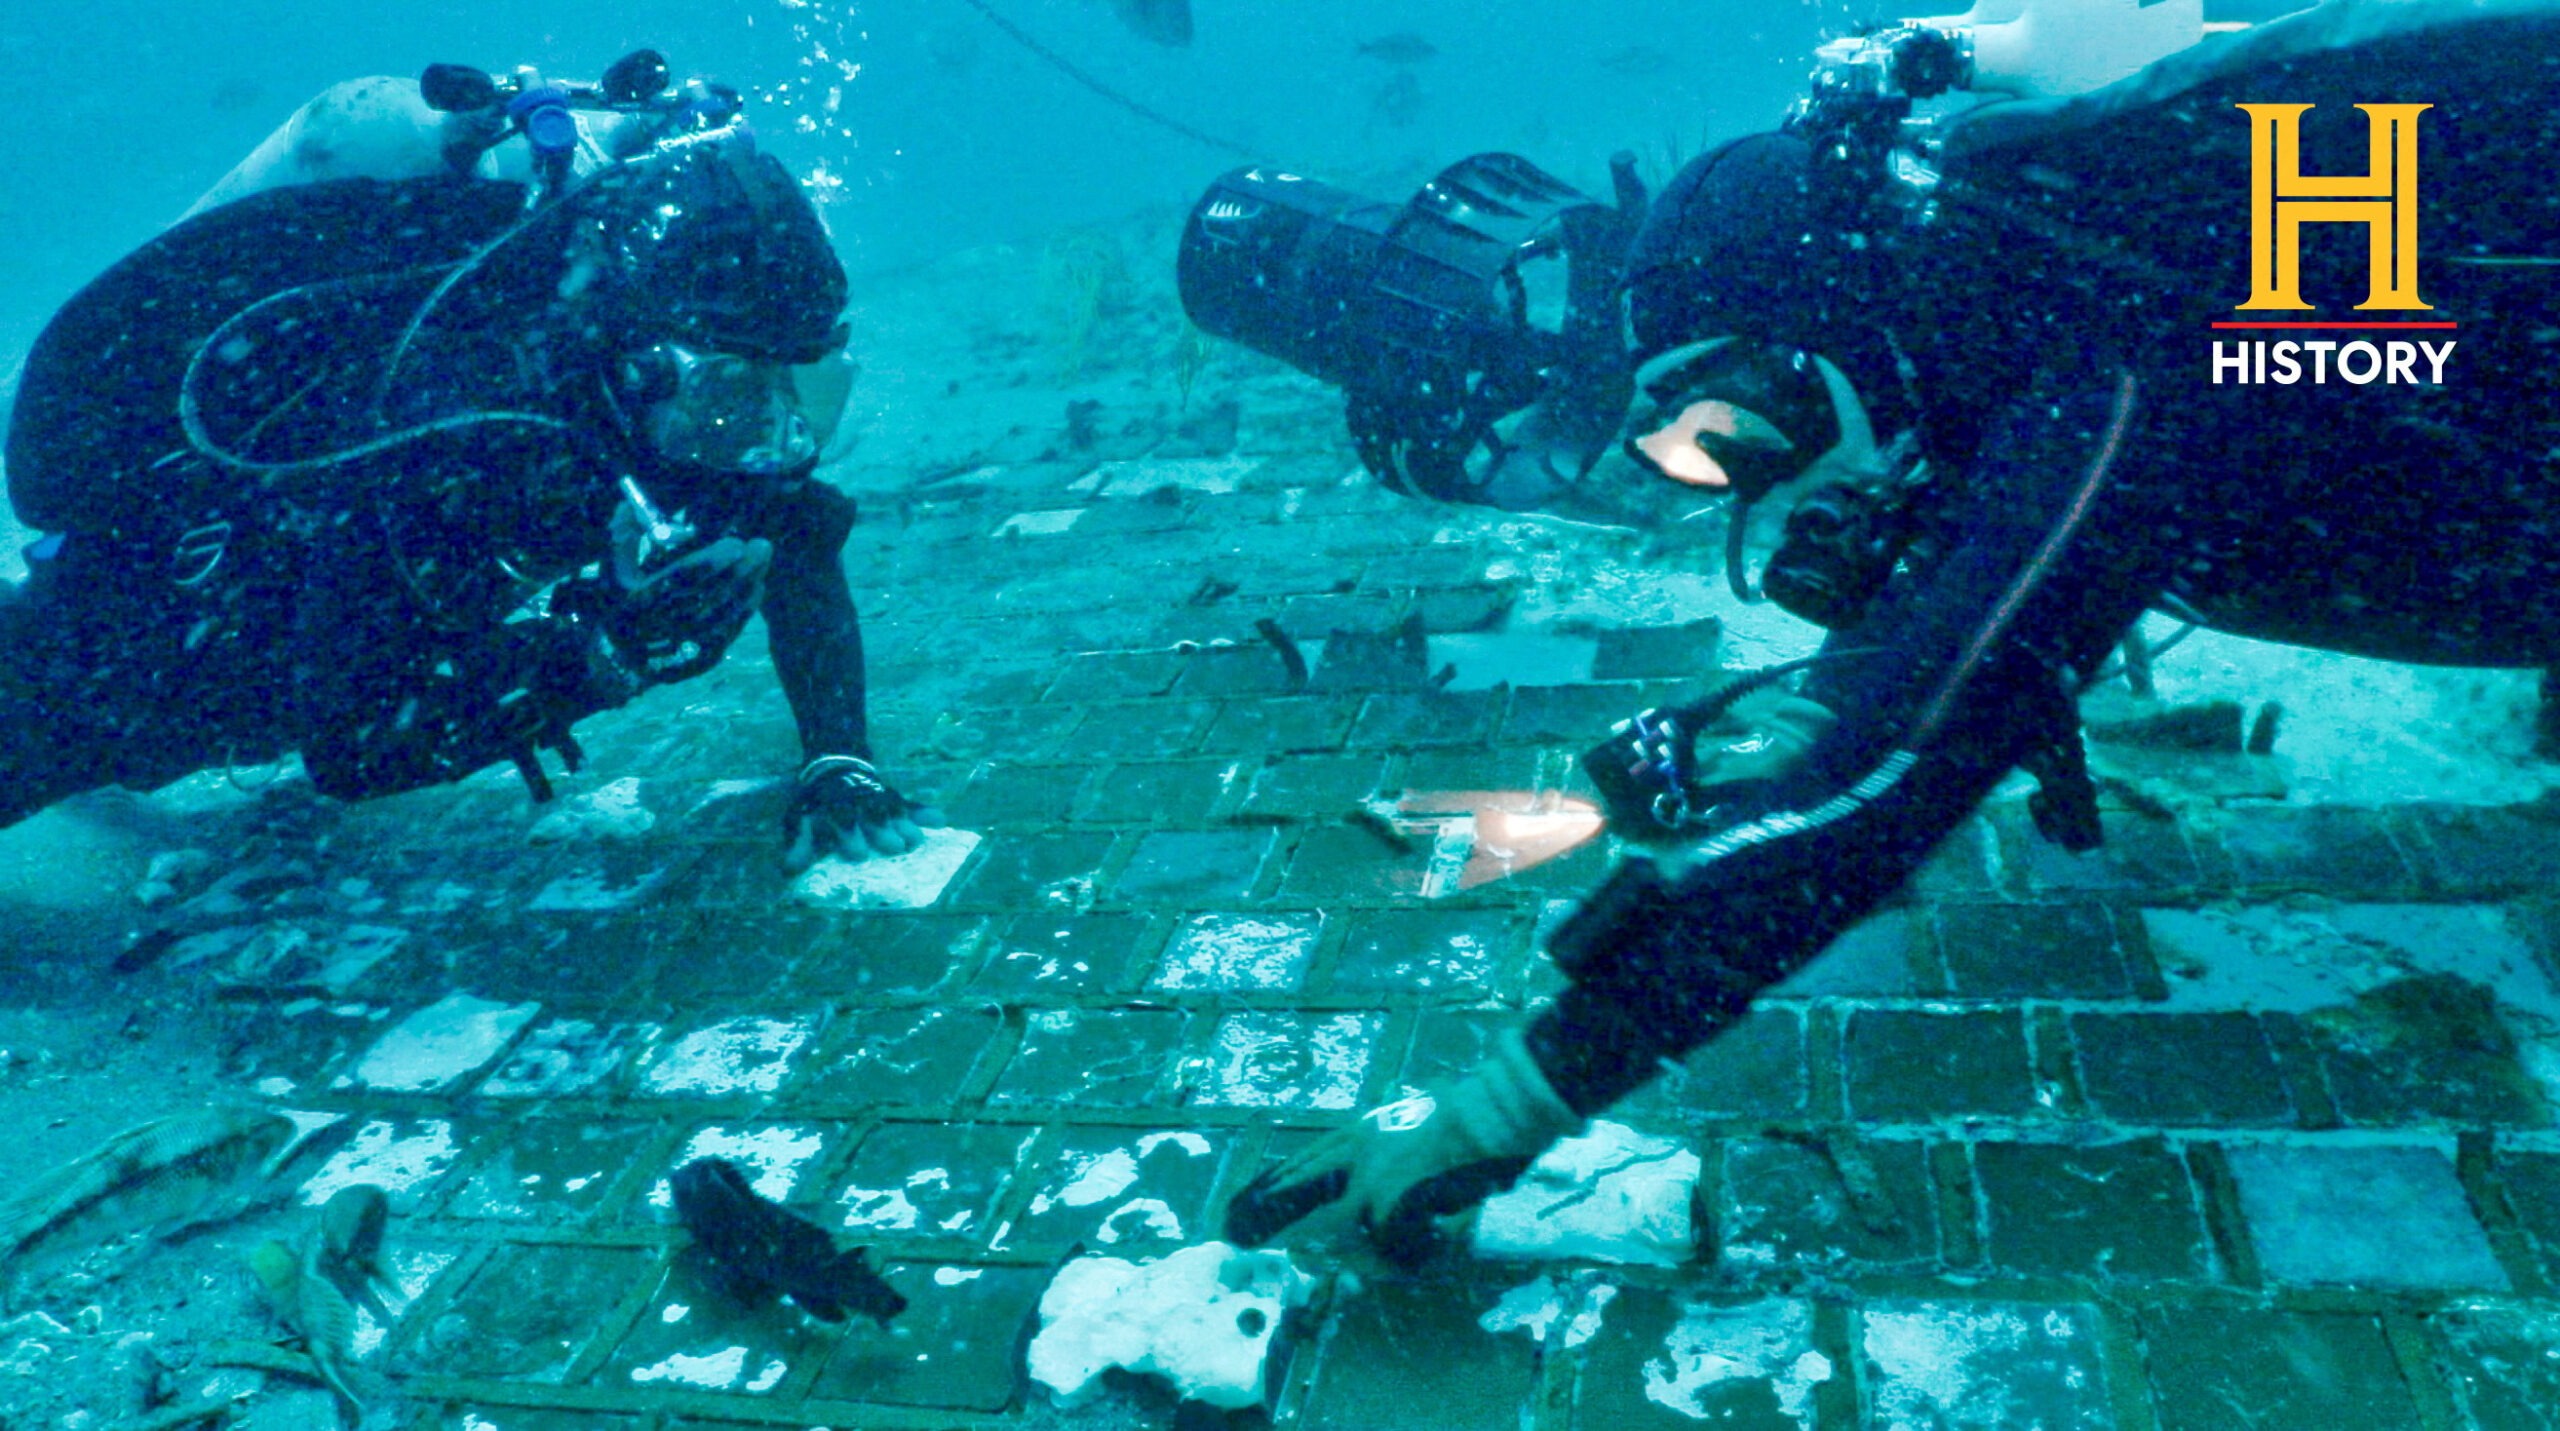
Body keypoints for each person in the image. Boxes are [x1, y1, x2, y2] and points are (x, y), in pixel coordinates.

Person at [1224, 0, 2560, 1261]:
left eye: (1730, 427)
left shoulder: (2112, 361)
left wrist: (1504, 1103)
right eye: (1701, 460)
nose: (1750, 476)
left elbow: (1891, 779)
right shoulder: (2018, 293)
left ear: (1825, 325)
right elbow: (1923, 657)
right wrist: (1788, 725)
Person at [1, 58, 938, 868]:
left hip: (303, 645)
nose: (768, 434)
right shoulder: (453, 424)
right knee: (62, 731)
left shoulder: (666, 396)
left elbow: (800, 537)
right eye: (732, 391)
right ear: (640, 360)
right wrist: (605, 656)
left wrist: (838, 760)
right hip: (144, 647)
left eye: (801, 388)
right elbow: (353, 746)